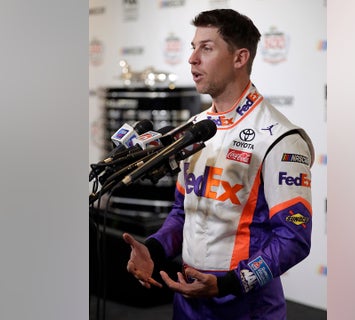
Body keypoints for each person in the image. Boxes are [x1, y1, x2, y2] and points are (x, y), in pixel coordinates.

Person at [122, 8, 315, 319]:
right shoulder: (194, 130)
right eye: (193, 47)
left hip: (247, 306)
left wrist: (230, 283)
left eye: (206, 48)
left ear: (240, 58)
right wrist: (154, 251)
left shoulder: (280, 137)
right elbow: (181, 213)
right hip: (188, 300)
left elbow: (293, 238)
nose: (192, 59)